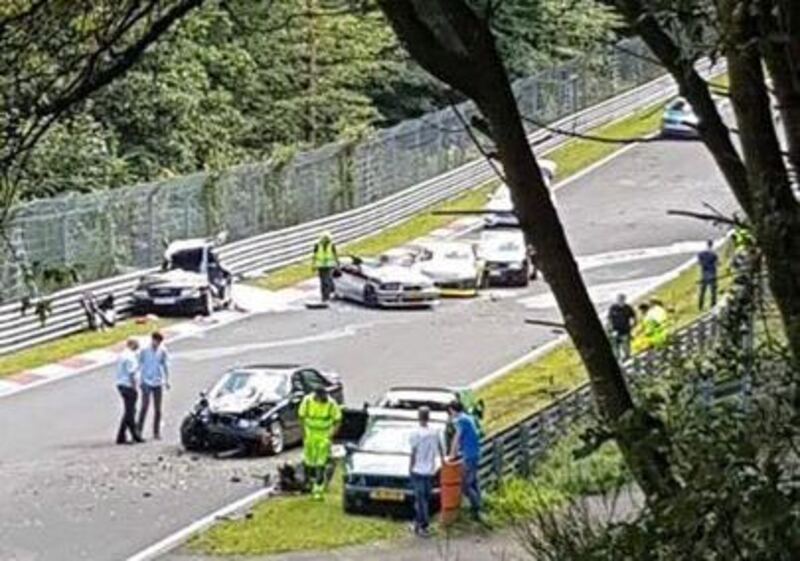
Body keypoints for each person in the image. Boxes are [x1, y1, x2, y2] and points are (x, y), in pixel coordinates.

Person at [298, 387, 342, 499]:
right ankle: (309, 484)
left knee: (320, 463)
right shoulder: (307, 401)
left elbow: (338, 420)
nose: (323, 399)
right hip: (310, 435)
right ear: (316, 395)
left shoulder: (331, 403)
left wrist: (331, 435)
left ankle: (318, 489)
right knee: (309, 462)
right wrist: (303, 433)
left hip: (323, 435)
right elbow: (301, 417)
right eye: (321, 397)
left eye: (325, 397)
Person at [409, 406, 444, 537]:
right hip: (430, 469)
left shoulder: (415, 433)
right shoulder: (435, 432)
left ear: (419, 417)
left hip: (418, 469)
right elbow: (440, 448)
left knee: (420, 499)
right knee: (425, 498)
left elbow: (413, 452)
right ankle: (418, 523)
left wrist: (410, 467)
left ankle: (423, 525)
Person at [447, 401, 482, 521]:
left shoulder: (460, 420)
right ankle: (478, 507)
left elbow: (456, 438)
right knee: (473, 482)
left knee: (465, 485)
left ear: (452, 410)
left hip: (469, 455)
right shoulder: (468, 418)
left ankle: (477, 507)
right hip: (475, 453)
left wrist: (452, 455)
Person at [137, 331, 170, 440]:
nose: (157, 344)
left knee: (158, 408)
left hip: (157, 381)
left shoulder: (163, 351)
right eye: (156, 341)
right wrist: (139, 380)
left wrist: (167, 380)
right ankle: (139, 430)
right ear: (152, 340)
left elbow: (165, 365)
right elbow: (139, 364)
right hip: (146, 380)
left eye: (159, 342)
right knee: (144, 406)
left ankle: (156, 432)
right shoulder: (145, 350)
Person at [115, 338, 143, 444]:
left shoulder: (122, 355)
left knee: (129, 411)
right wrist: (135, 388)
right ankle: (135, 435)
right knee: (130, 412)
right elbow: (132, 374)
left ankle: (121, 436)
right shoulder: (130, 357)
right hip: (128, 386)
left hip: (121, 384)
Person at [311, 231, 339, 302]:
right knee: (323, 281)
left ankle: (327, 295)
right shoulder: (317, 245)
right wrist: (313, 265)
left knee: (327, 281)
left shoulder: (332, 245)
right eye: (324, 238)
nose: (326, 240)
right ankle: (324, 296)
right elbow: (314, 256)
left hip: (329, 266)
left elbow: (335, 255)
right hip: (321, 266)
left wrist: (337, 263)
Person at [607, 293, 636, 361]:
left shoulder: (628, 307)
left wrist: (633, 325)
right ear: (617, 300)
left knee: (626, 345)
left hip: (625, 331)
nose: (620, 301)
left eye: (622, 299)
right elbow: (609, 319)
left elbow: (633, 317)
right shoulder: (613, 308)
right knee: (615, 346)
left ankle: (627, 357)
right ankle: (617, 359)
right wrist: (610, 329)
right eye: (619, 299)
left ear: (624, 300)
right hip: (615, 331)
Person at [697, 240, 718, 310]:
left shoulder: (701, 253)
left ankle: (700, 306)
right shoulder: (714, 254)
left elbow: (699, 263)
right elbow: (717, 263)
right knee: (713, 291)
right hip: (712, 274)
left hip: (704, 274)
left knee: (702, 291)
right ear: (712, 245)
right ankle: (713, 305)